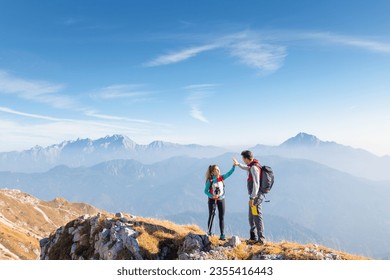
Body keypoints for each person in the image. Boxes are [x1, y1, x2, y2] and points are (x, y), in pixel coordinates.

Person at [233, 150, 266, 244]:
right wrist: (238, 164)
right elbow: (246, 168)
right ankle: (253, 237)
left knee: (256, 216)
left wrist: (252, 198)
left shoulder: (254, 168)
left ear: (246, 158)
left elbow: (256, 184)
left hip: (255, 197)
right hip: (254, 196)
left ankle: (261, 239)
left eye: (243, 158)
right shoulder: (253, 166)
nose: (243, 160)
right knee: (251, 217)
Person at [204, 159, 236, 241]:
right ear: (212, 172)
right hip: (212, 199)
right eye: (216, 170)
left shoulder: (221, 178)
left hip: (221, 199)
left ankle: (222, 235)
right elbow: (205, 191)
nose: (218, 171)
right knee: (211, 215)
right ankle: (209, 232)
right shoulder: (210, 181)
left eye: (218, 170)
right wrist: (212, 196)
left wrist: (234, 166)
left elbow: (229, 173)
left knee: (221, 216)